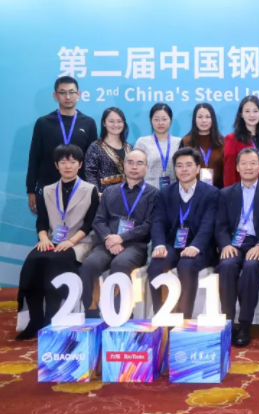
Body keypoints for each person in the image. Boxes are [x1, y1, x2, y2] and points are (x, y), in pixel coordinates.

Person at [16, 144, 98, 340]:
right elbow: (42, 221)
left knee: (54, 262)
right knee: (33, 261)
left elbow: (90, 224)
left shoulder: (90, 190)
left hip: (79, 242)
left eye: (72, 162)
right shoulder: (46, 190)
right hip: (52, 240)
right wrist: (44, 238)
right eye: (63, 162)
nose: (67, 166)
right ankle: (35, 319)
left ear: (80, 164)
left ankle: (50, 319)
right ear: (56, 165)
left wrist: (71, 241)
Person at [80, 149, 159, 318]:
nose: (134, 167)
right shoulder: (110, 192)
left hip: (135, 246)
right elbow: (98, 221)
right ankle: (91, 314)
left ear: (146, 168)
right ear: (123, 165)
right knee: (89, 265)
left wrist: (121, 238)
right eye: (130, 162)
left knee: (120, 264)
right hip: (107, 243)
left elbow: (149, 225)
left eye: (139, 163)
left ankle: (121, 314)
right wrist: (109, 239)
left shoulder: (153, 194)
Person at [215, 148, 259, 347]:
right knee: (226, 266)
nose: (248, 167)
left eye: (253, 163)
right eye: (244, 163)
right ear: (237, 167)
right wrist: (225, 244)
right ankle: (228, 322)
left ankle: (244, 324)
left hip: (257, 244)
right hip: (233, 244)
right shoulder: (225, 193)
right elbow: (220, 225)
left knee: (251, 267)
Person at [147, 147, 219, 319]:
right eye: (179, 166)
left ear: (198, 168)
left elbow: (208, 224)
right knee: (156, 265)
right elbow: (158, 221)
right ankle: (162, 318)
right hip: (173, 244)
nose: (184, 169)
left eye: (188, 165)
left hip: (199, 247)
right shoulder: (165, 193)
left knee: (186, 265)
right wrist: (159, 245)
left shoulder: (211, 193)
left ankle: (183, 319)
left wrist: (196, 246)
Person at [27, 76, 97, 215]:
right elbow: (34, 157)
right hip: (47, 186)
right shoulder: (43, 123)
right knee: (46, 226)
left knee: (79, 227)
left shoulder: (88, 123)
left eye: (72, 92)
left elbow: (92, 161)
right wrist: (31, 190)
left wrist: (93, 189)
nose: (67, 97)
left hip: (79, 189)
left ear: (78, 94)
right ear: (55, 95)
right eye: (62, 92)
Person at [224, 95, 259, 186]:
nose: (252, 115)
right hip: (242, 189)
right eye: (247, 111)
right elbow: (229, 171)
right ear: (241, 114)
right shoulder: (232, 139)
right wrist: (231, 192)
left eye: (255, 111)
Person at [134, 103, 182, 190]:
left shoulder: (179, 142)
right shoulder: (142, 142)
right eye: (156, 119)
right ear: (151, 120)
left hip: (174, 191)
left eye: (164, 119)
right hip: (148, 191)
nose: (160, 123)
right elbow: (136, 169)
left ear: (171, 120)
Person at [85, 107, 133, 194]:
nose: (116, 125)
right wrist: (97, 193)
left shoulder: (129, 147)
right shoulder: (95, 147)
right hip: (104, 195)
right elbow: (90, 173)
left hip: (128, 194)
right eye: (111, 121)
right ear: (104, 123)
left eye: (119, 121)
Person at [180, 103, 225, 188]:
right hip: (191, 191)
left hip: (217, 191)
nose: (204, 120)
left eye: (207, 117)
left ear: (213, 119)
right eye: (200, 117)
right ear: (195, 119)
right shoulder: (186, 142)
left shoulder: (223, 142)